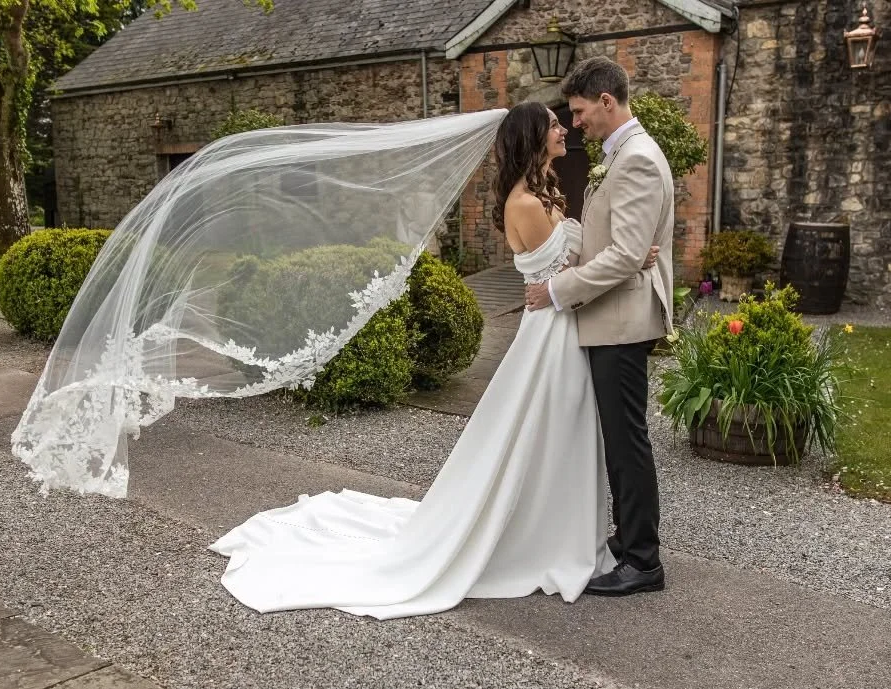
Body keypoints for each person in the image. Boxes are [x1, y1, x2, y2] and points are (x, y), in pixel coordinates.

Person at [208, 101, 657, 619]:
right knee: (549, 431)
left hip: (562, 325)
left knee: (560, 434)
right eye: (554, 125)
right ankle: (543, 537)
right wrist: (628, 258)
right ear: (532, 138)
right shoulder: (527, 205)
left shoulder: (543, 193)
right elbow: (573, 268)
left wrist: (619, 255)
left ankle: (559, 528)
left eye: (563, 121)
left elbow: (575, 264)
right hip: (552, 333)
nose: (564, 129)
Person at [525, 56, 675, 597]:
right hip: (613, 316)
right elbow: (622, 246)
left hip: (622, 320)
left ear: (607, 102)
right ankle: (628, 539)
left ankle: (643, 561)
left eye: (582, 111)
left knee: (626, 441)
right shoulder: (622, 155)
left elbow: (623, 256)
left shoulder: (635, 159)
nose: (577, 122)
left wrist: (556, 291)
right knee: (619, 438)